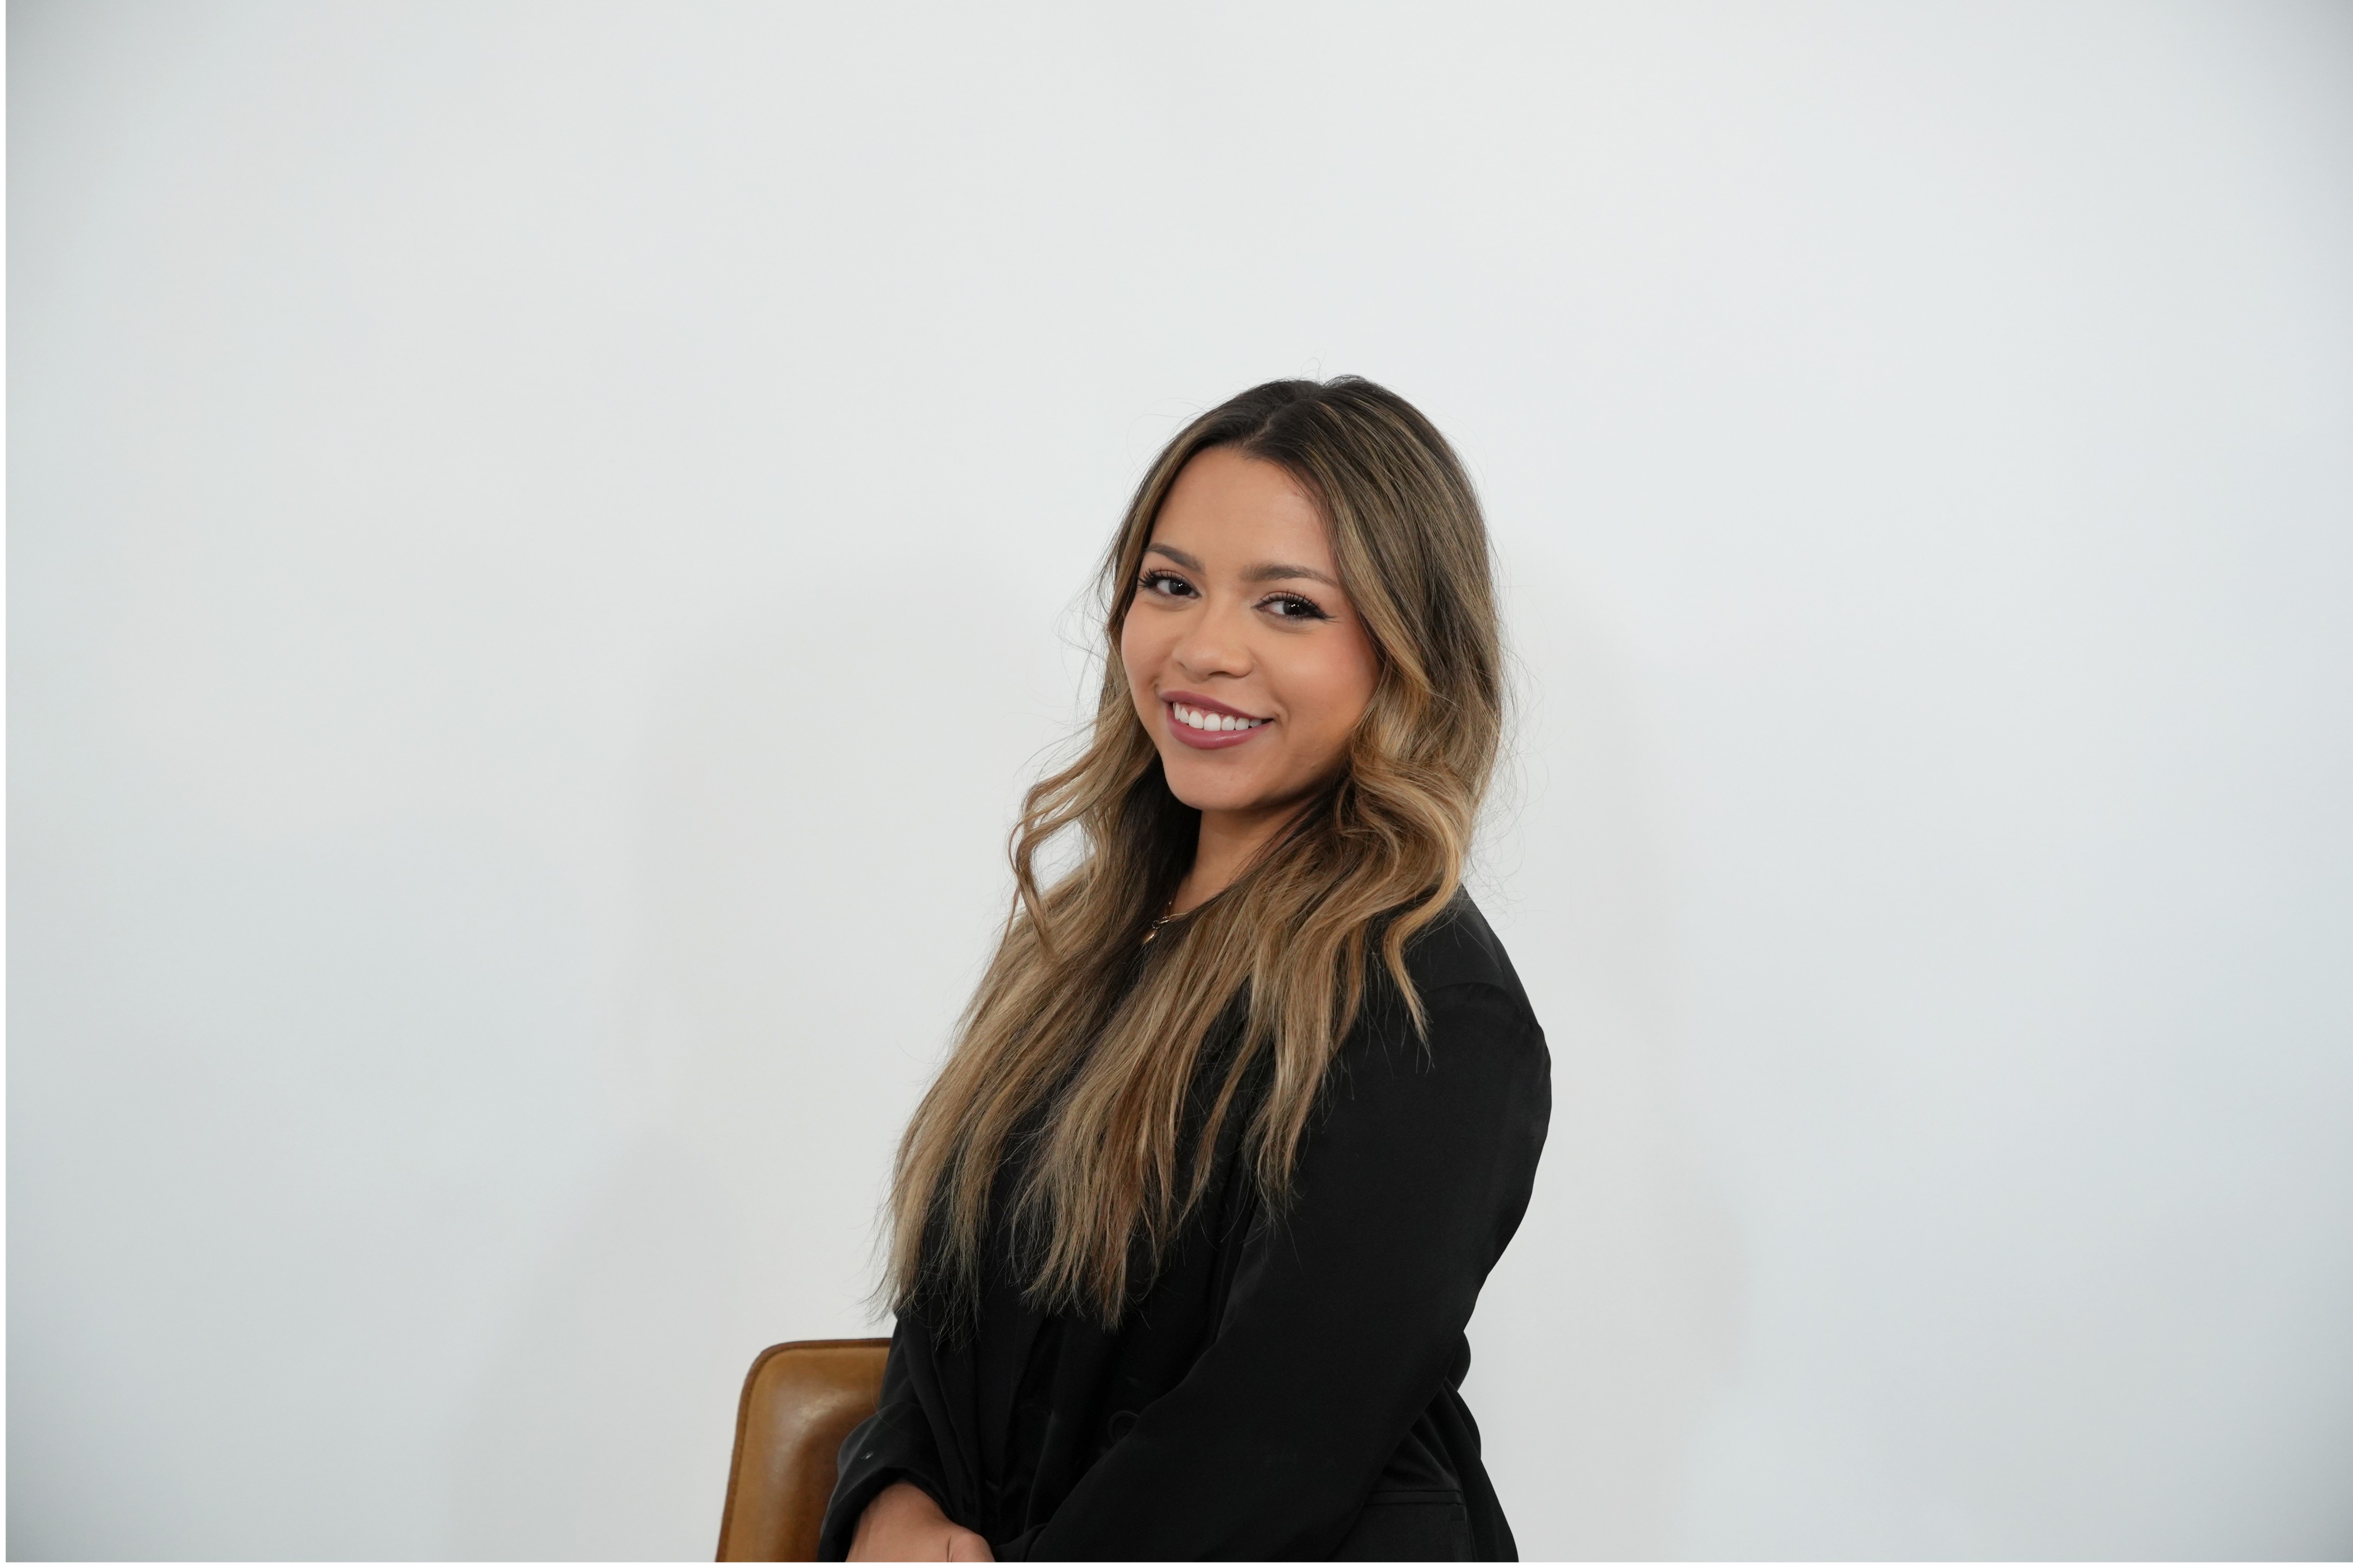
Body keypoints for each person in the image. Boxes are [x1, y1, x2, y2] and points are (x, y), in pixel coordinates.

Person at [819, 377, 1550, 1561]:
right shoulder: (1086, 939)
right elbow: (953, 1310)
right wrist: (894, 1497)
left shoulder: (1433, 1009)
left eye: (1291, 606)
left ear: (1407, 652)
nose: (1205, 648)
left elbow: (1268, 1454)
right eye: (1170, 584)